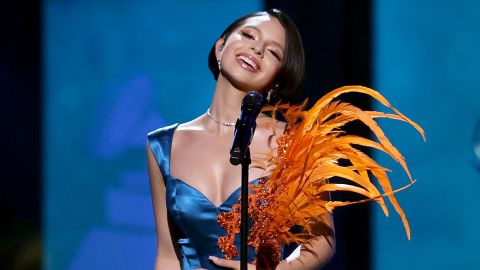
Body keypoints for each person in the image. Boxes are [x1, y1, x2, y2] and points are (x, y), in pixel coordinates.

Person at [146, 9, 335, 270]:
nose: (257, 49)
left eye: (273, 52)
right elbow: (167, 255)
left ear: (277, 81)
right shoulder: (164, 145)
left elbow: (321, 240)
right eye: (249, 35)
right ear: (220, 47)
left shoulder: (295, 144)